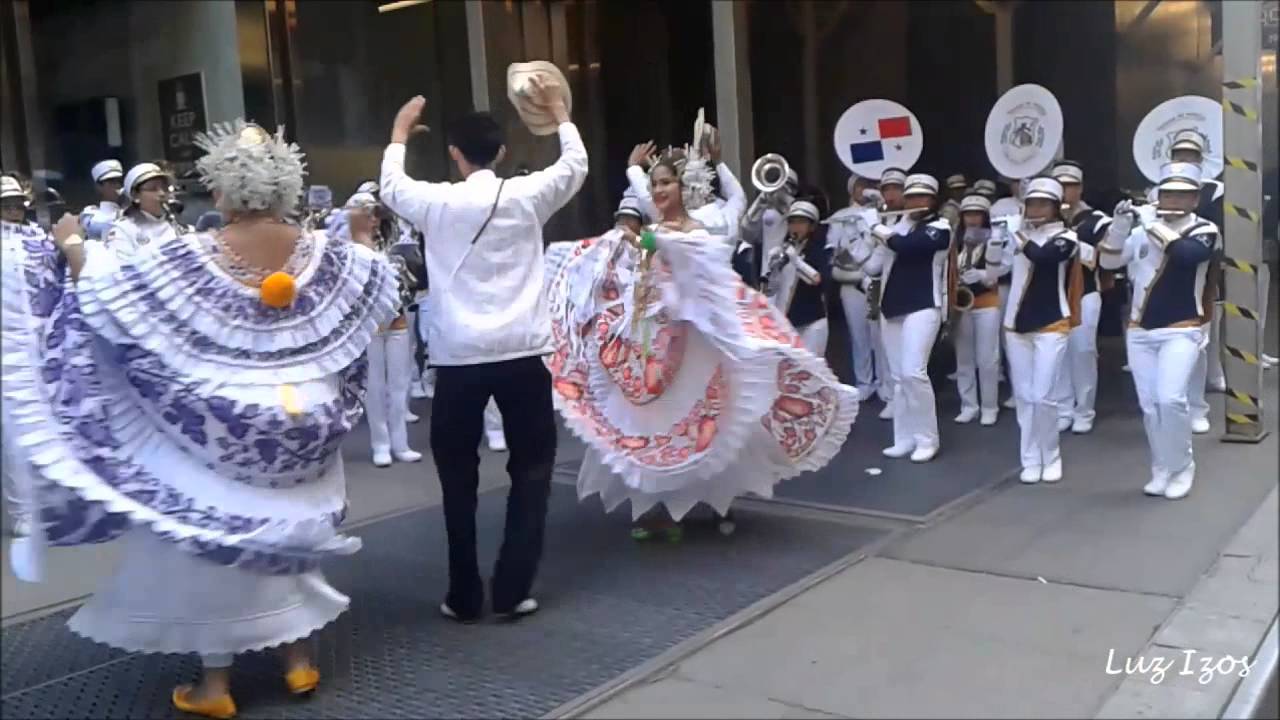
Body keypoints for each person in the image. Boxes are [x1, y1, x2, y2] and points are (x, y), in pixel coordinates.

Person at [2, 121, 402, 718]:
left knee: (217, 545)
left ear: (220, 192)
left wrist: (75, 248)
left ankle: (216, 686)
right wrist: (360, 243)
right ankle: (298, 663)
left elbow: (105, 303)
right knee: (292, 537)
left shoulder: (189, 256)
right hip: (307, 424)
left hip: (224, 427)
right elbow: (379, 294)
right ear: (286, 188)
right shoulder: (332, 254)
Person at [542, 148, 857, 541]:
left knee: (708, 421)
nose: (658, 191)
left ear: (684, 187)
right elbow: (644, 230)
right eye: (655, 184)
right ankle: (659, 508)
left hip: (698, 343)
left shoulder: (700, 231)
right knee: (652, 422)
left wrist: (717, 165)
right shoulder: (654, 231)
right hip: (654, 345)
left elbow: (713, 239)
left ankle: (713, 503)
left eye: (666, 183)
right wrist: (631, 170)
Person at [379, 80, 587, 622]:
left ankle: (463, 593)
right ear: (501, 152)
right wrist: (560, 113)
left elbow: (390, 186)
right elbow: (575, 166)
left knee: (457, 478)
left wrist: (400, 132)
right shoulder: (525, 195)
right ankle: (513, 587)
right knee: (533, 469)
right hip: (522, 352)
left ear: (453, 154)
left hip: (458, 359)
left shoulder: (437, 202)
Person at [1099, 162, 1219, 499]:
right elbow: (1108, 263)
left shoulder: (1205, 229)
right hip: (1140, 330)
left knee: (1171, 399)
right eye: (1168, 193)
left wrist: (1151, 224)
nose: (1174, 200)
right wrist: (1121, 227)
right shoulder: (1142, 232)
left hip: (1182, 329)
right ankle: (1162, 467)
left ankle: (1182, 467)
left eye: (1182, 195)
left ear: (1195, 199)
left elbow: (1185, 256)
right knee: (1150, 405)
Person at [999, 176, 1082, 484]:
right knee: (1024, 396)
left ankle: (1052, 455)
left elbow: (1044, 257)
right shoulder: (1017, 235)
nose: (1036, 208)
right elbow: (997, 269)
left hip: (1051, 323)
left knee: (1044, 396)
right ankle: (1030, 458)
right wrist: (997, 241)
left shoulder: (1067, 237)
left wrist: (1017, 234)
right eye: (1031, 203)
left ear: (1055, 207)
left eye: (1042, 204)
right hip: (1015, 325)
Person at [864, 173, 951, 462]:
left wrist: (877, 227)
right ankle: (903, 438)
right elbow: (872, 267)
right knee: (899, 377)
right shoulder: (898, 226)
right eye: (911, 197)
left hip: (924, 305)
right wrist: (870, 233)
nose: (916, 202)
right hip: (892, 306)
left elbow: (909, 247)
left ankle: (928, 439)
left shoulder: (940, 227)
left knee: (915, 373)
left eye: (922, 197)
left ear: (932, 200)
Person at [1168, 130, 1228, 432]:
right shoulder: (1157, 190)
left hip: (1199, 268)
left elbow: (1216, 229)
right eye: (1179, 154)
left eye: (1190, 155)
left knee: (1199, 339)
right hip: (1159, 275)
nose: (1184, 159)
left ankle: (1198, 405)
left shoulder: (1214, 190)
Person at [1052, 160, 1110, 434]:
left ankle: (1084, 409)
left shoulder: (1096, 220)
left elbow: (1106, 257)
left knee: (1083, 350)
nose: (1066, 191)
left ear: (1080, 188)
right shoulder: (1042, 217)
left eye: (1071, 185)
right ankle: (1063, 408)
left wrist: (1071, 240)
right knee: (1058, 354)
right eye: (1061, 186)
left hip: (1086, 291)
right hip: (1053, 292)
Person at [2, 174, 42, 539]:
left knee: (44, 429)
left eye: (16, 204)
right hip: (4, 354)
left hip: (40, 347)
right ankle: (22, 512)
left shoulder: (38, 240)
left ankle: (48, 506)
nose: (13, 210)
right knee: (12, 437)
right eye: (6, 204)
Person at [825, 173, 884, 401]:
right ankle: (864, 381)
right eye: (861, 186)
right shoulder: (840, 216)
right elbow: (834, 252)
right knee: (859, 337)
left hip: (877, 282)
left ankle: (883, 382)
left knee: (879, 337)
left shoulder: (883, 214)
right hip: (851, 283)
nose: (865, 190)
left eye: (869, 185)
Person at [951, 193, 1007, 426]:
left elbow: (1007, 265)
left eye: (976, 214)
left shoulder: (996, 238)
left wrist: (984, 274)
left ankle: (989, 406)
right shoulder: (954, 240)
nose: (972, 219)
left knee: (987, 359)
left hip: (986, 303)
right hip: (961, 305)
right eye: (967, 214)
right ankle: (968, 405)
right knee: (963, 359)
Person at [762, 200, 831, 354]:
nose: (795, 227)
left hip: (812, 322)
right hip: (787, 322)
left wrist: (796, 261)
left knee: (811, 370)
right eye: (792, 222)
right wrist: (772, 269)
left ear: (812, 226)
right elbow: (771, 290)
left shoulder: (821, 250)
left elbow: (817, 280)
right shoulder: (784, 250)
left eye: (801, 222)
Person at [103, 163, 184, 259]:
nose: (162, 193)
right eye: (153, 189)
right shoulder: (123, 230)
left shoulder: (175, 223)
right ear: (135, 195)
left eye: (164, 188)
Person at [79, 159, 124, 240]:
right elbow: (97, 228)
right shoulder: (90, 213)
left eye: (119, 181)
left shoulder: (132, 210)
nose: (118, 185)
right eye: (112, 182)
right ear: (99, 187)